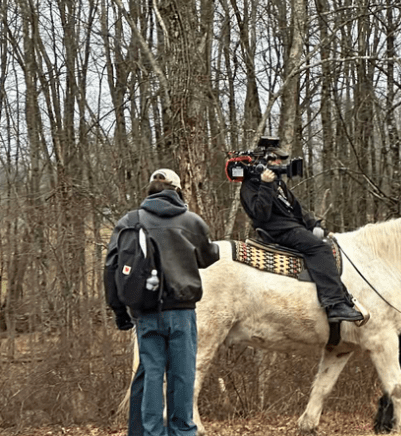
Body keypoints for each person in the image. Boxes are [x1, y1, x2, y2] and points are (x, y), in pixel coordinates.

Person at [104, 168, 220, 436]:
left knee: (152, 374)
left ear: (150, 190)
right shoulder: (191, 221)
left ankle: (151, 432)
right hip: (181, 313)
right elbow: (208, 256)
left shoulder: (129, 221)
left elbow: (111, 268)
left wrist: (119, 310)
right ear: (177, 190)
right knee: (182, 376)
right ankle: (182, 431)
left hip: (145, 311)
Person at [239, 143, 363, 323]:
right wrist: (265, 185)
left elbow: (296, 208)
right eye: (276, 159)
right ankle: (334, 305)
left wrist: (317, 227)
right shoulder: (250, 186)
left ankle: (342, 297)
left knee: (327, 243)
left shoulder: (277, 182)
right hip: (277, 231)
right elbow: (261, 215)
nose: (280, 163)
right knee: (320, 249)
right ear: (263, 162)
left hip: (291, 227)